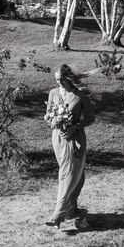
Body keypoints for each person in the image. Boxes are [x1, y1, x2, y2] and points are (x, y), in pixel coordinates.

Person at [45, 64, 96, 231]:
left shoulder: (80, 95)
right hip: (58, 140)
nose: (59, 82)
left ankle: (57, 214)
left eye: (61, 79)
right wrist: (53, 121)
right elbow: (47, 115)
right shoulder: (53, 93)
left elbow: (90, 117)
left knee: (67, 175)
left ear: (68, 78)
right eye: (56, 80)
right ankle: (72, 210)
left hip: (75, 140)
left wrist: (76, 126)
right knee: (76, 177)